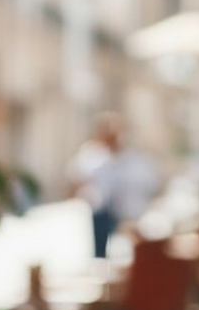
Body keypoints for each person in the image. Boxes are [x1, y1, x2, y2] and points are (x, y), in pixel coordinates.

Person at [67, 111, 161, 260]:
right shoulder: (92, 155)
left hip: (126, 215)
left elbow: (148, 186)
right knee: (100, 255)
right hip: (100, 213)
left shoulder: (132, 158)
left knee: (125, 255)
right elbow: (75, 180)